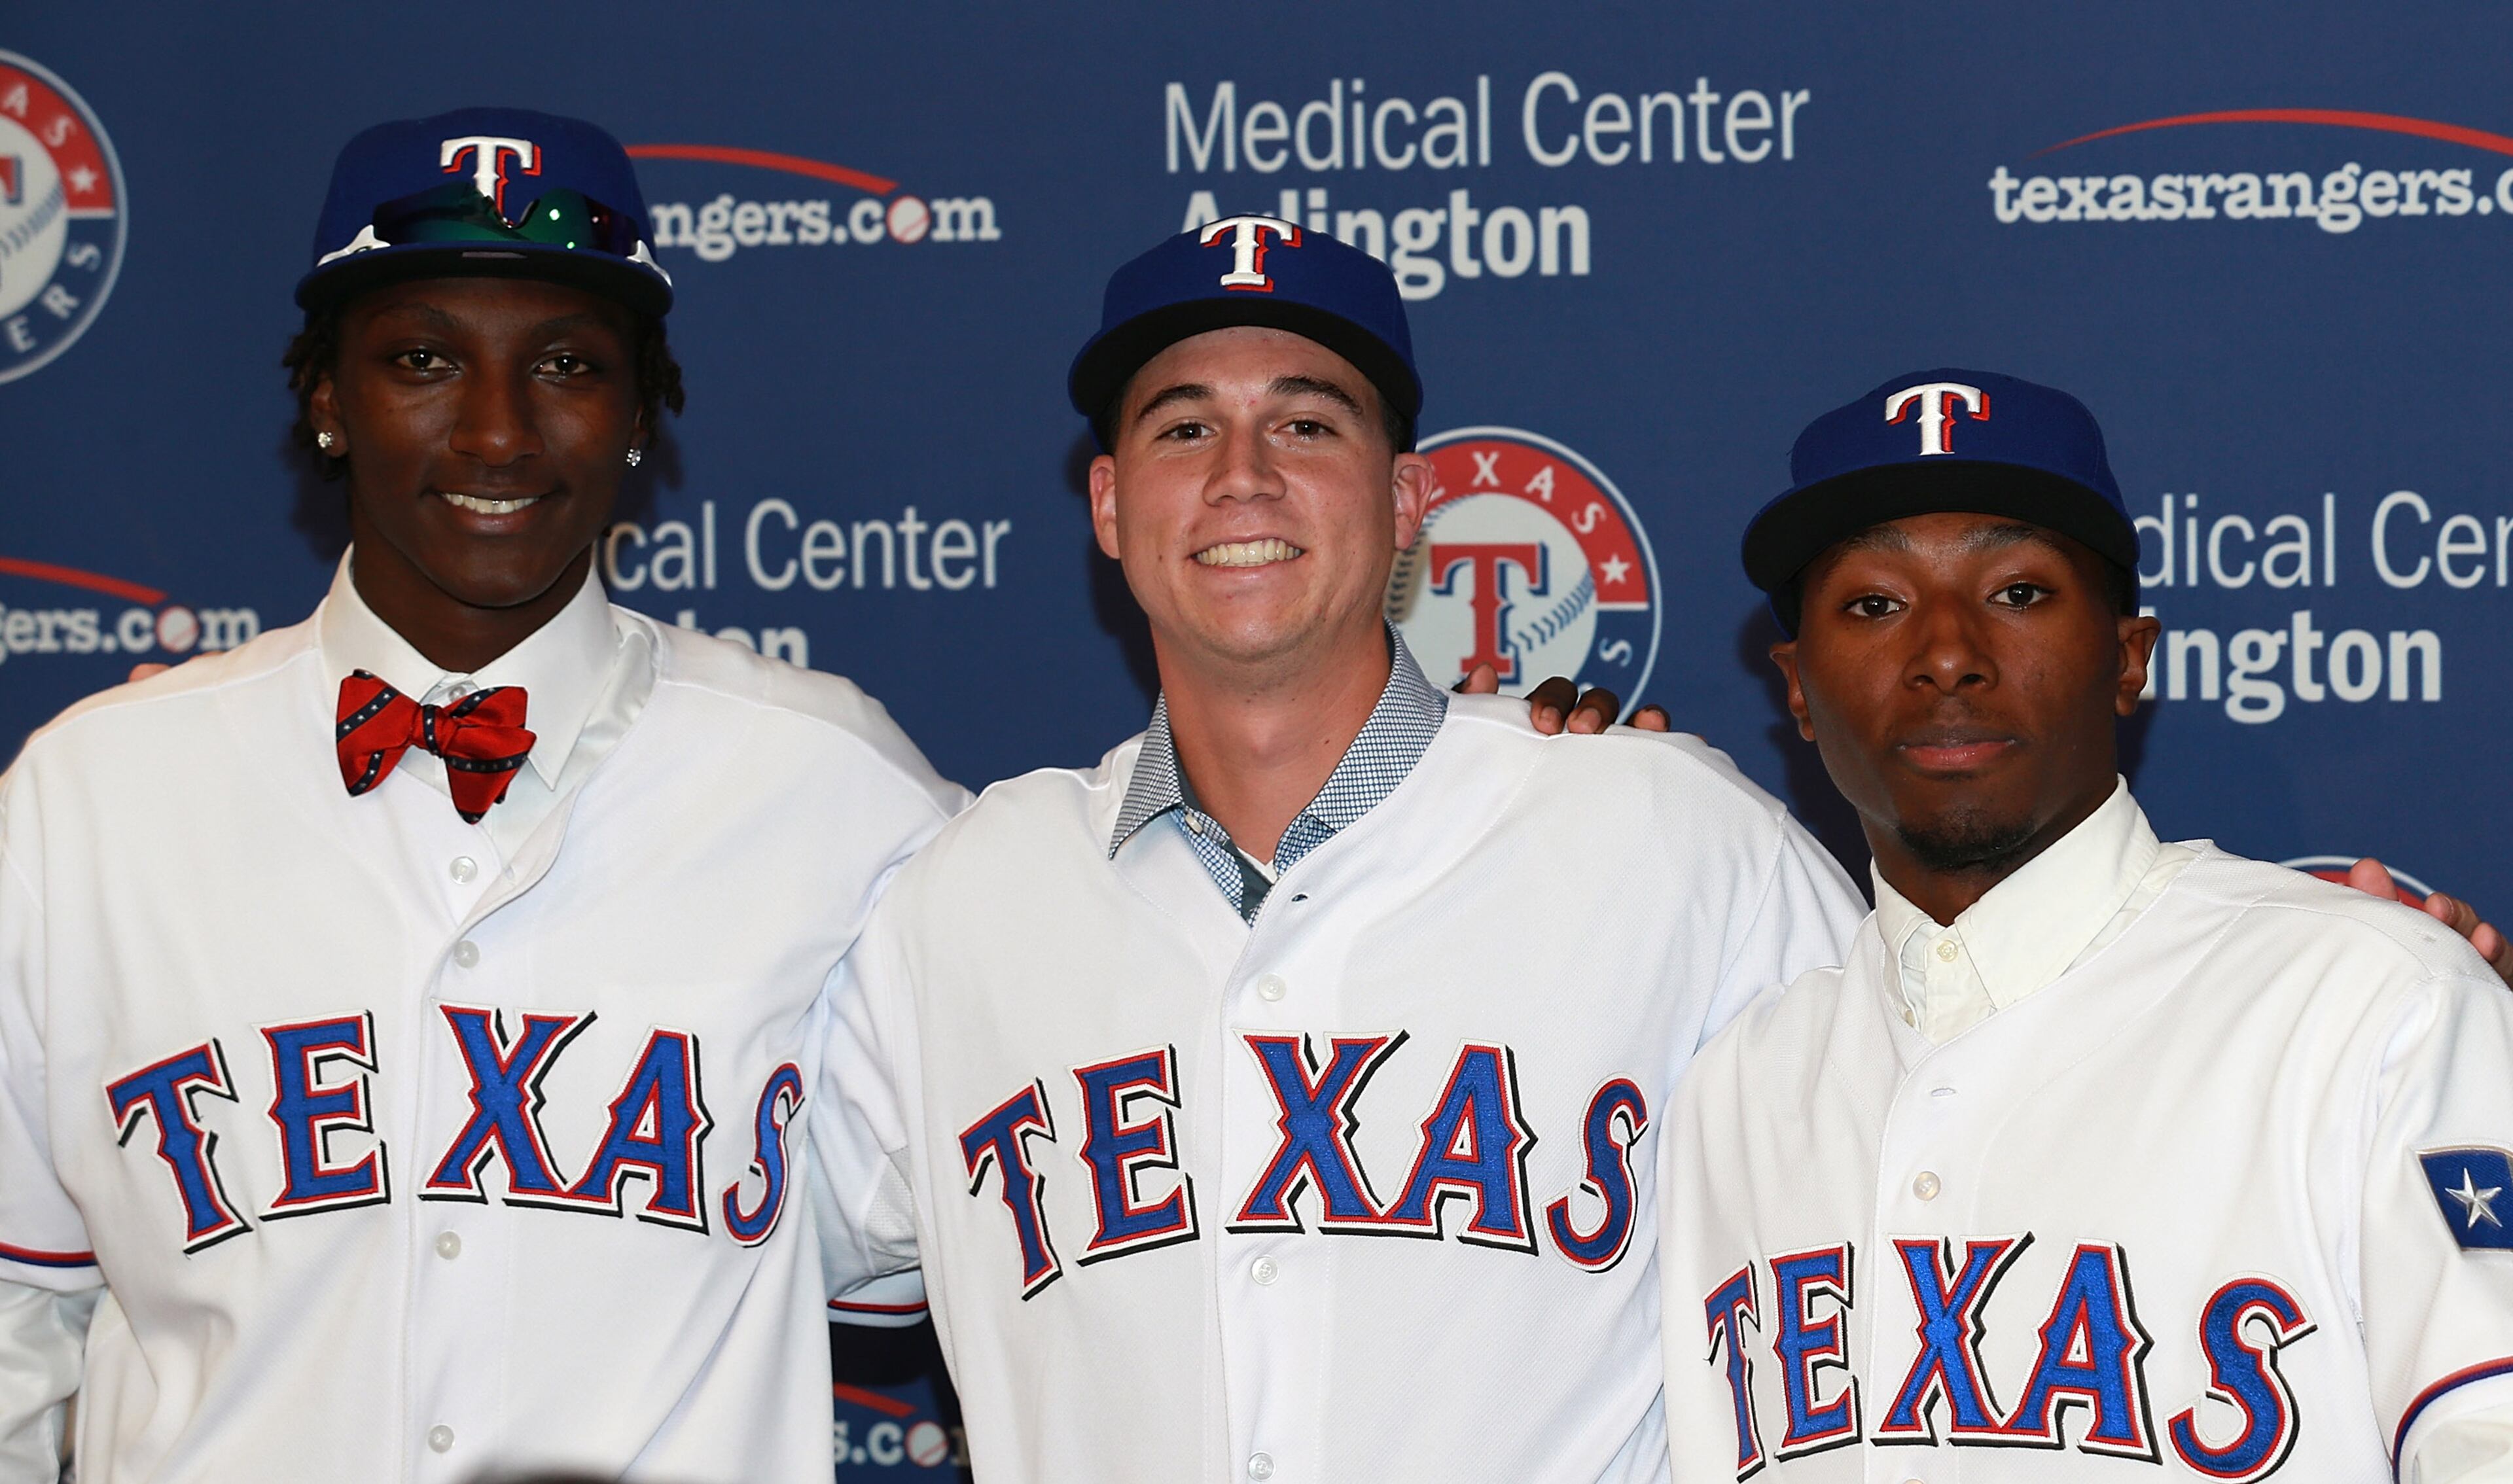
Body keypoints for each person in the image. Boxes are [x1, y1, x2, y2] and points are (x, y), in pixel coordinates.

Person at [809, 219, 1868, 1483]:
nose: (1242, 476)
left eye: (1307, 424)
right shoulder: (967, 901)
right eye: (1183, 427)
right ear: (1106, 502)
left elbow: (1908, 1249)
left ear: (1413, 497)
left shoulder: (1677, 842)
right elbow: (706, 1261)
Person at [0, 109, 962, 1481]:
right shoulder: (90, 801)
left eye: (568, 364)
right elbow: (19, 1330)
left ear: (642, 411)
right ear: (328, 398)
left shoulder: (836, 790)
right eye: (423, 360)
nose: (499, 431)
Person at [1658, 369, 2513, 1480]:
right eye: (1875, 603)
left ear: (2129, 656)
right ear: (1799, 689)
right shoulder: (1736, 1090)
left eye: (2016, 592)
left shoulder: (2369, 1005)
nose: (1948, 652)